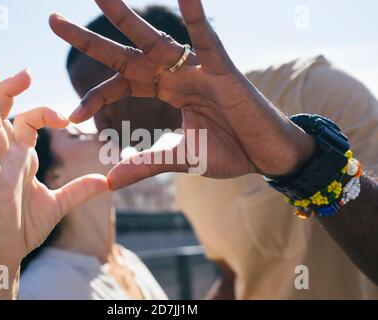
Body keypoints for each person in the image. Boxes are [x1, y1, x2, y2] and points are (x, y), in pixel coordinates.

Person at [48, 0, 378, 295]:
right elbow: (235, 277)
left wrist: (304, 165)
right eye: (87, 103)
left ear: (156, 64)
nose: (98, 121)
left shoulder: (314, 89)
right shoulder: (184, 170)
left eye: (105, 94)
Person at [0, 64, 166, 300]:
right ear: (54, 177)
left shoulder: (125, 259)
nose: (99, 132)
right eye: (75, 135)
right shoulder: (47, 286)